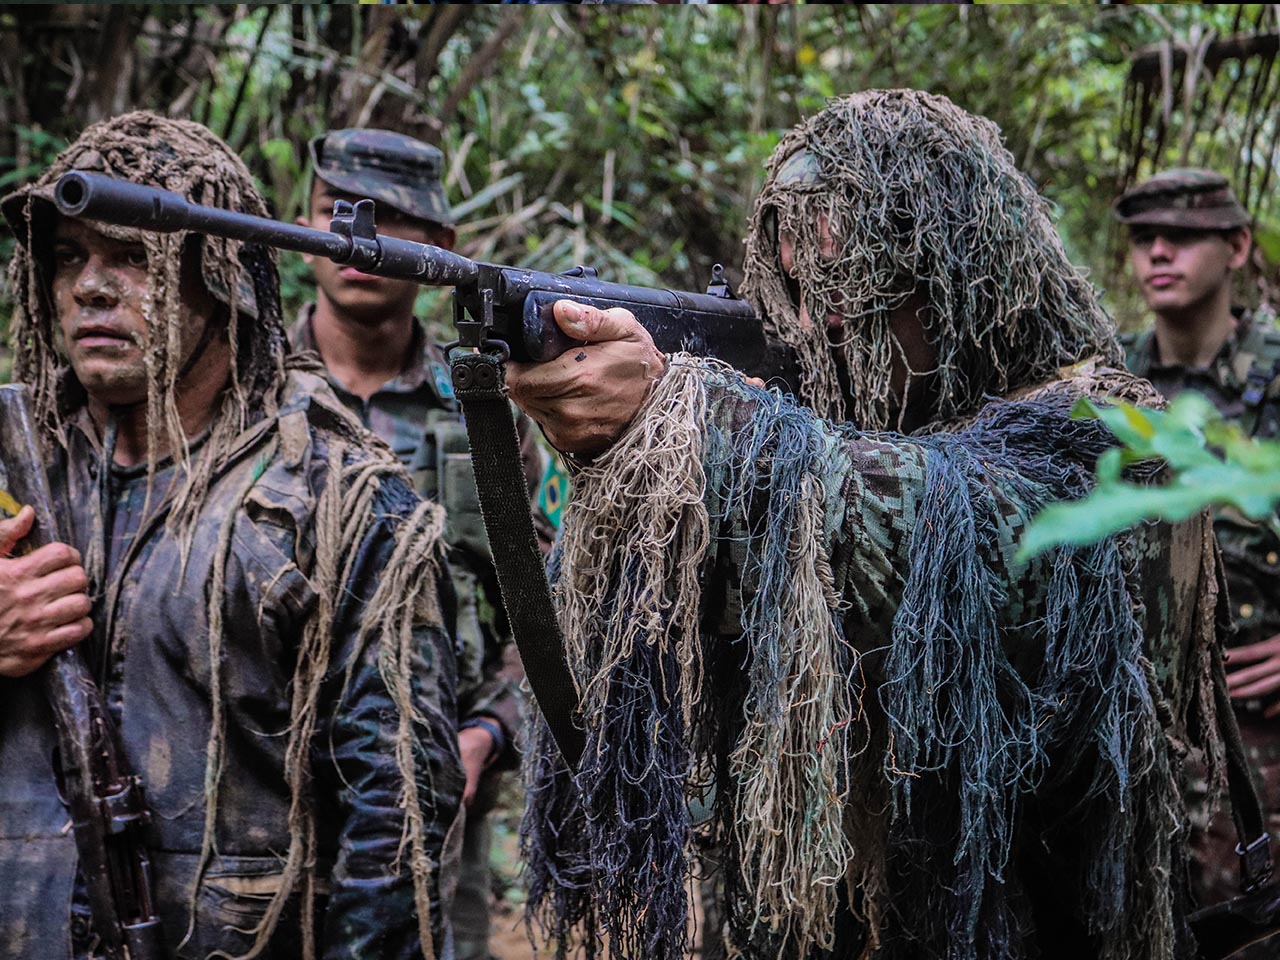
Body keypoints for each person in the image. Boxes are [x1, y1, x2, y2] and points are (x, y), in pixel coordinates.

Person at [507, 90, 1227, 960]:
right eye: (802, 297)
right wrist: (625, 449)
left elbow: (987, 555)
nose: (822, 331)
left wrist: (698, 417)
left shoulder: (1117, 429)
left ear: (963, 269)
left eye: (855, 293)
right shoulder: (846, 435)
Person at [0, 112, 462, 960]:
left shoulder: (337, 498)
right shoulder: (11, 465)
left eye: (133, 257)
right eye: (69, 257)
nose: (91, 289)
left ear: (224, 282)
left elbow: (395, 824)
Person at [294, 127, 548, 960]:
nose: (358, 237)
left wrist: (487, 733)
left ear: (442, 247)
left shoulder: (484, 409)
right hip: (257, 797)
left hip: (439, 802)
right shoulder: (246, 391)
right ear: (303, 225)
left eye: (391, 218)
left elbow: (545, 597)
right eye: (339, 210)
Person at [1115, 168, 1280, 906]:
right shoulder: (1102, 381)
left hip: (1256, 735)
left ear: (1237, 246)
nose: (1158, 253)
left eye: (1181, 238)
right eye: (1144, 239)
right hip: (1131, 730)